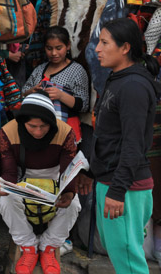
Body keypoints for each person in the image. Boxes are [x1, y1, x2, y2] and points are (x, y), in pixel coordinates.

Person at [78, 18, 160, 273]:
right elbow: (109, 135)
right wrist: (93, 172)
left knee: (129, 264)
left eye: (104, 43)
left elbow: (134, 145)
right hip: (110, 181)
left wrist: (117, 191)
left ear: (125, 48)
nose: (97, 49)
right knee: (123, 258)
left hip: (125, 187)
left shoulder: (134, 86)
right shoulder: (119, 79)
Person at [0, 91, 81, 274]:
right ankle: (28, 246)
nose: (38, 131)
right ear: (22, 122)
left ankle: (49, 246)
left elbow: (68, 170)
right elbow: (9, 171)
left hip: (54, 177)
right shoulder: (8, 132)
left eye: (44, 126)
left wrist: (68, 192)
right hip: (22, 179)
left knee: (73, 204)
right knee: (6, 200)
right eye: (32, 126)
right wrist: (4, 186)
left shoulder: (65, 132)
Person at [22, 26, 89, 141]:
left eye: (59, 48)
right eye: (49, 48)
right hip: (38, 129)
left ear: (67, 45)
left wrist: (61, 95)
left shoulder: (76, 70)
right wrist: (31, 91)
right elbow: (22, 93)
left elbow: (83, 105)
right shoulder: (39, 69)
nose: (54, 53)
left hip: (66, 128)